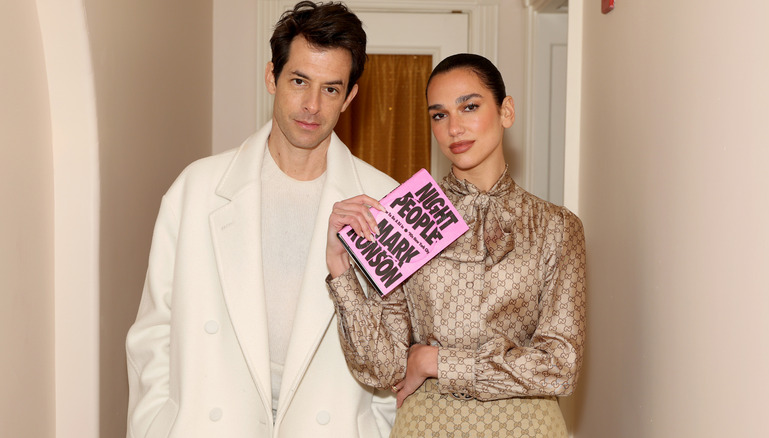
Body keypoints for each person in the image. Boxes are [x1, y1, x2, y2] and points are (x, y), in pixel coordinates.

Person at [126, 2, 398, 437]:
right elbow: (154, 334)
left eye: (331, 89)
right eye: (299, 81)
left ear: (350, 97)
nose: (311, 105)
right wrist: (159, 425)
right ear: (272, 77)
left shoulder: (385, 202)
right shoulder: (197, 188)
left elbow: (396, 348)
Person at [324, 53, 586, 437]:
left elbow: (561, 366)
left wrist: (437, 362)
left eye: (470, 107)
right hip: (428, 427)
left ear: (506, 110)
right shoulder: (408, 216)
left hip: (527, 429)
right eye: (439, 115)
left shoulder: (557, 227)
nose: (454, 127)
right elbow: (382, 369)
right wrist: (341, 271)